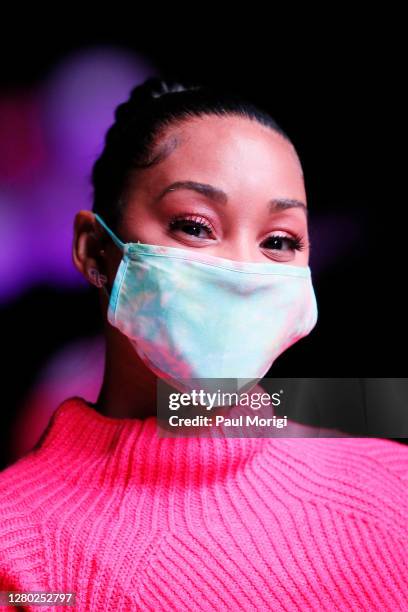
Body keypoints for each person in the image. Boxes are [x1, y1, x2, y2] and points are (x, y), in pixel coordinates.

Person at [0, 77, 407, 611]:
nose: (241, 269)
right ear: (95, 250)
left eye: (279, 241)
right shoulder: (19, 554)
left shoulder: (393, 490)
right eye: (196, 226)